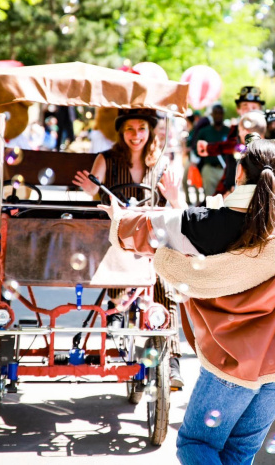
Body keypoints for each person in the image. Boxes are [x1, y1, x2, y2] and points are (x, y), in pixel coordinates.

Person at [107, 137, 275, 464]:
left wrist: (118, 218)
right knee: (239, 451)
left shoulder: (198, 224)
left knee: (195, 444)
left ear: (238, 175)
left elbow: (144, 228)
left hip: (232, 366)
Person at [72, 108, 187, 388]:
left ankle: (172, 360)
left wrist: (174, 197)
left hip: (152, 239)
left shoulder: (162, 163)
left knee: (165, 282)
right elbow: (93, 190)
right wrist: (90, 189)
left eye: (142, 129)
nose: (136, 135)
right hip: (116, 238)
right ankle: (116, 309)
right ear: (121, 133)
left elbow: (180, 207)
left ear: (150, 131)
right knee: (118, 256)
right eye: (130, 130)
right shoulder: (107, 159)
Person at [213, 110, 267, 196]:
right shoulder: (274, 152)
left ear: (246, 132)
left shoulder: (244, 155)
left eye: (240, 131)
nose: (239, 134)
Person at [195, 104, 228, 197]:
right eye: (215, 113)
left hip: (225, 169)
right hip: (209, 169)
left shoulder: (229, 131)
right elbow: (196, 150)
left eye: (220, 113)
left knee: (226, 197)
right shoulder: (204, 131)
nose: (218, 115)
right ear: (212, 115)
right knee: (210, 198)